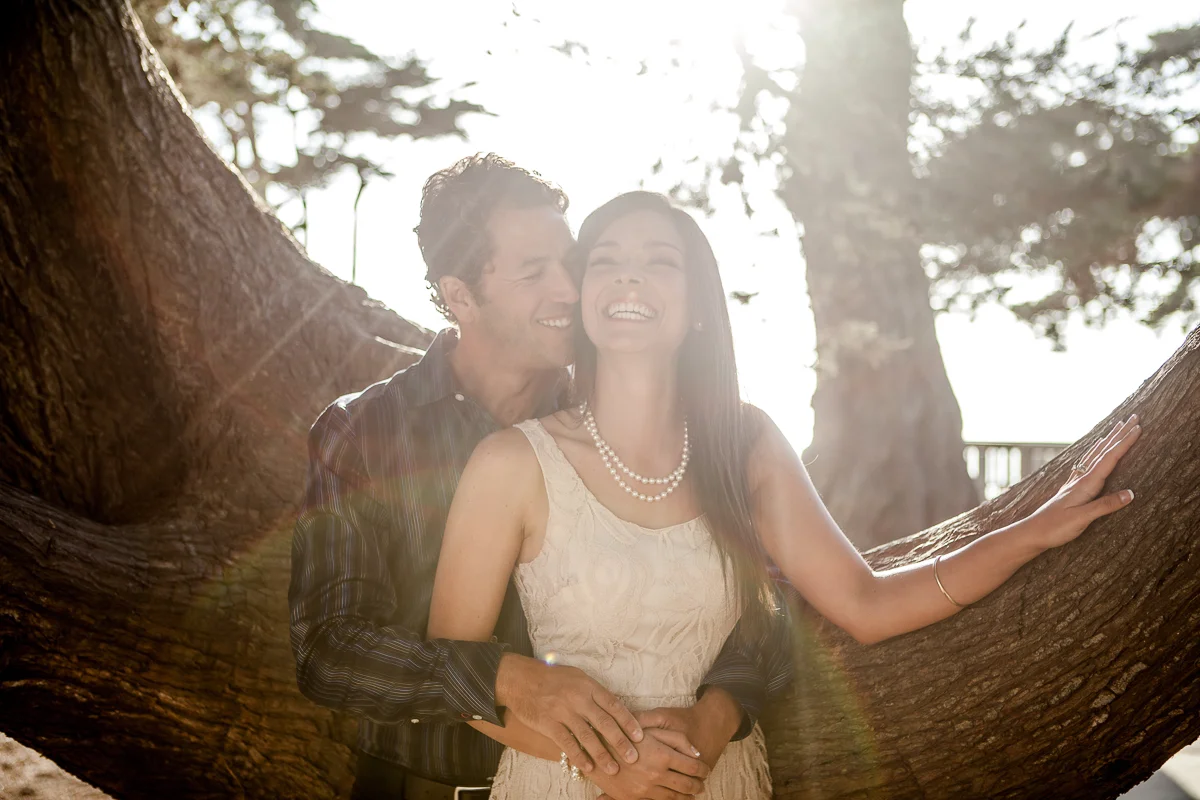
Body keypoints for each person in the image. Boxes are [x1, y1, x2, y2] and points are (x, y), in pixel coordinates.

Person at [427, 191, 1141, 798]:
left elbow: (867, 603)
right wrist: (606, 764)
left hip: (721, 782)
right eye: (606, 261)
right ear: (582, 297)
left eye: (659, 263)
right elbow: (452, 675)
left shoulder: (746, 445)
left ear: (698, 308)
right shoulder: (512, 461)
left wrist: (1033, 530)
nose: (629, 280)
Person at [289, 157, 791, 800]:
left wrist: (723, 708)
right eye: (534, 272)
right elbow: (329, 651)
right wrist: (508, 677)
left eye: (570, 263)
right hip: (425, 789)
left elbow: (769, 587)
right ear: (461, 294)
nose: (568, 289)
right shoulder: (364, 431)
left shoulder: (626, 422)